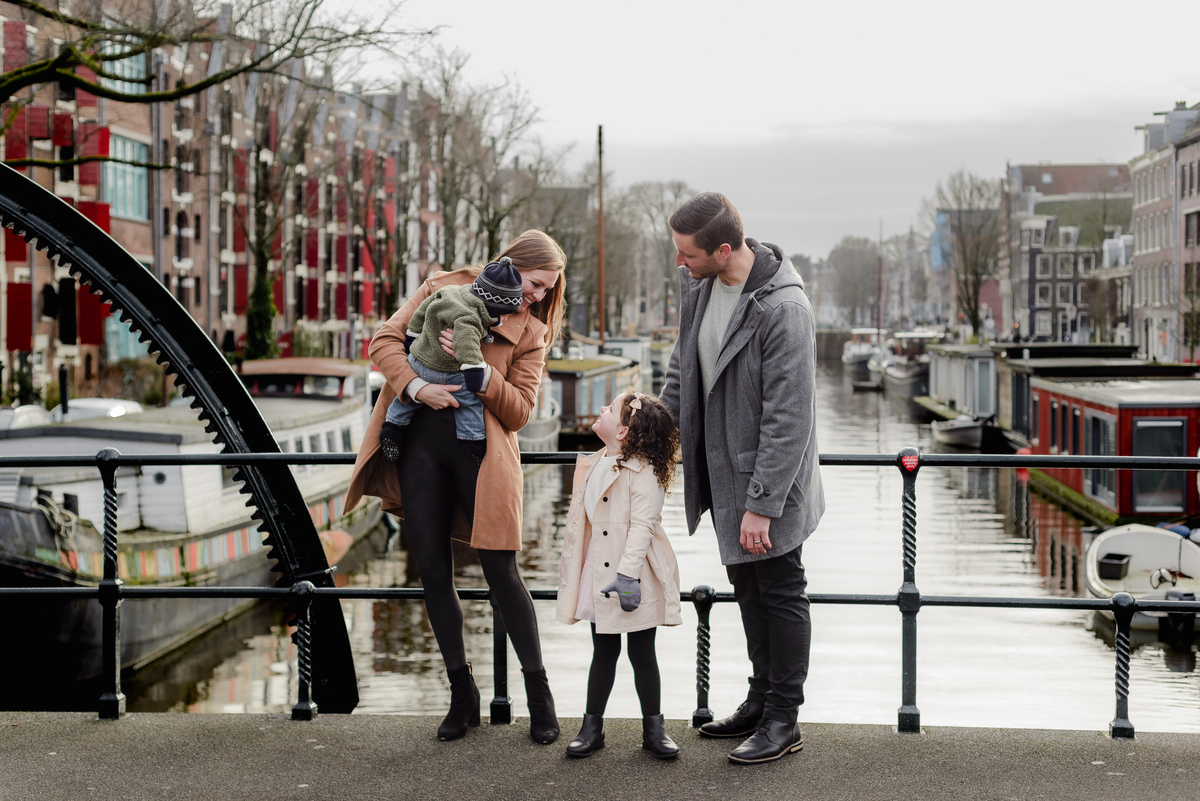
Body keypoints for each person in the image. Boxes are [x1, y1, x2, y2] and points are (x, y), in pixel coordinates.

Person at [345, 229, 567, 744]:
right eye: (535, 284)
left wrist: (480, 373)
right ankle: (461, 694)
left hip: (481, 457)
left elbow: (520, 412)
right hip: (419, 447)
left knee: (502, 572)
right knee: (431, 570)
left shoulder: (531, 331)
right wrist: (418, 385)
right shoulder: (443, 287)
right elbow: (384, 340)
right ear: (511, 263)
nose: (537, 296)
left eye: (547, 291)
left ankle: (539, 695)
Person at [659, 192, 825, 765]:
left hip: (767, 486)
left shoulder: (784, 310)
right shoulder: (701, 287)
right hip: (725, 476)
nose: (679, 262)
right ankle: (759, 701)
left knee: (780, 590)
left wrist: (763, 504)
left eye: (687, 253)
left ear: (723, 249)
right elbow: (685, 368)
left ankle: (785, 719)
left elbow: (790, 417)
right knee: (747, 590)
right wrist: (649, 436)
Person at [555, 391, 683, 760]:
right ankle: (591, 728)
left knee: (643, 652)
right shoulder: (596, 462)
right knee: (603, 650)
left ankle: (654, 729)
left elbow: (643, 527)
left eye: (609, 409)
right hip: (599, 570)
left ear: (624, 432)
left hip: (634, 573)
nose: (600, 409)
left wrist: (627, 576)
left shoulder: (644, 472)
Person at [378, 256, 524, 464]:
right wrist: (475, 375)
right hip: (447, 371)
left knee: (404, 403)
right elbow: (467, 349)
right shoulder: (469, 320)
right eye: (505, 315)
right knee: (469, 402)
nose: (507, 319)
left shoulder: (449, 292)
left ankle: (392, 427)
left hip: (418, 360)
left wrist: (412, 336)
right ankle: (472, 441)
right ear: (491, 307)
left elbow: (422, 310)